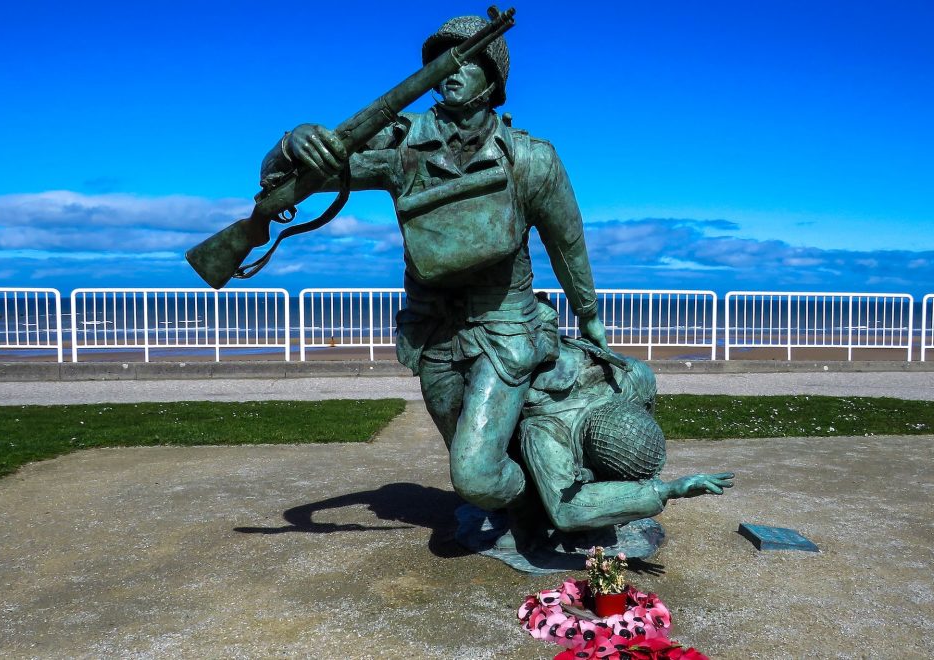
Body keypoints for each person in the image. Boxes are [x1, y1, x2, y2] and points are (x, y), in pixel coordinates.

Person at [260, 15, 607, 520]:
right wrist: (292, 143)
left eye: (465, 61)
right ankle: (519, 509)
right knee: (470, 460)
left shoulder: (531, 159)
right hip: (433, 332)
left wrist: (589, 314)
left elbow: (567, 242)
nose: (450, 71)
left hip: (505, 327)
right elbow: (289, 183)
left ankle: (541, 507)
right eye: (442, 61)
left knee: (474, 473)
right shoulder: (402, 146)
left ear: (493, 79)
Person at [516, 316, 734, 536]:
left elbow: (647, 411)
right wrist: (665, 490)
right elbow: (565, 510)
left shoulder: (635, 378)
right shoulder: (544, 432)